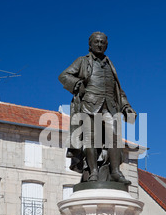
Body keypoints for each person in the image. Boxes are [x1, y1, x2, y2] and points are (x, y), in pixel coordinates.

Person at [58, 32, 136, 184]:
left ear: (106, 45)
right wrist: (77, 84)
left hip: (110, 107)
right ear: (90, 44)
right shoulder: (82, 61)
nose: (99, 45)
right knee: (91, 140)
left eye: (102, 42)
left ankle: (115, 171)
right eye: (96, 42)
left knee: (114, 138)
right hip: (89, 106)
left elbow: (118, 90)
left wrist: (126, 107)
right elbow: (64, 75)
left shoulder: (110, 64)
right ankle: (93, 172)